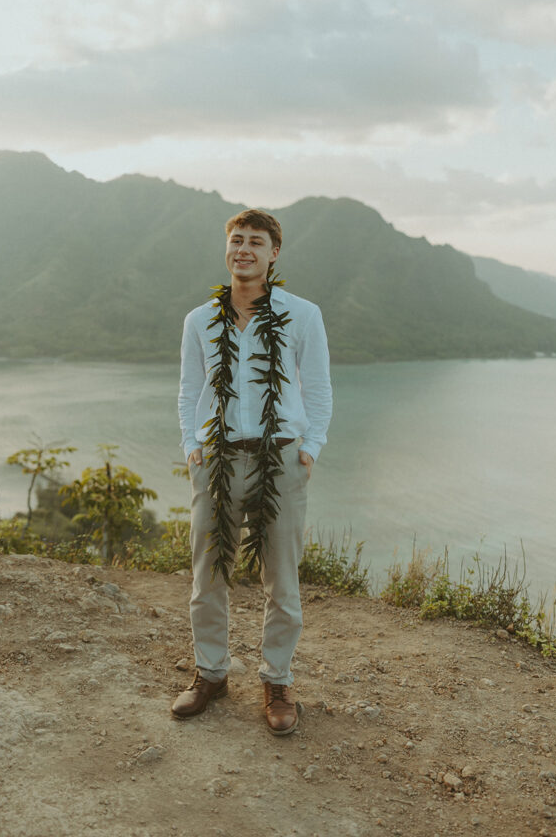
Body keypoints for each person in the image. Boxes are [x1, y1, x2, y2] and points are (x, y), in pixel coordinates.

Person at [173, 209, 332, 735]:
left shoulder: (303, 315)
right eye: (236, 240)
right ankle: (211, 673)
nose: (244, 249)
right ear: (228, 249)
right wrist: (192, 446)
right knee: (206, 577)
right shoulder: (201, 320)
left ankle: (277, 680)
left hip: (280, 460)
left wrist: (309, 447)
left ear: (273, 253)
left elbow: (318, 387)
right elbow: (188, 390)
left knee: (282, 581)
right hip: (216, 459)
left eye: (255, 242)